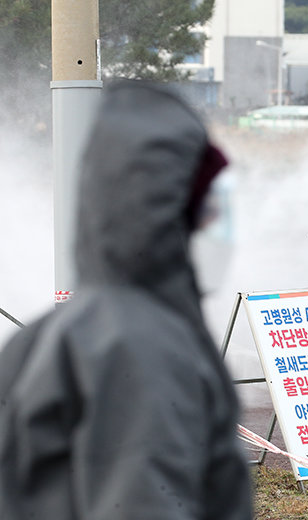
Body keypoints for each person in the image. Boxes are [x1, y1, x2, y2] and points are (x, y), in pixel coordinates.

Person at [0, 81, 252, 519]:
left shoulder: (48, 333)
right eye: (211, 209)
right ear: (168, 215)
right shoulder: (142, 345)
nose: (224, 231)